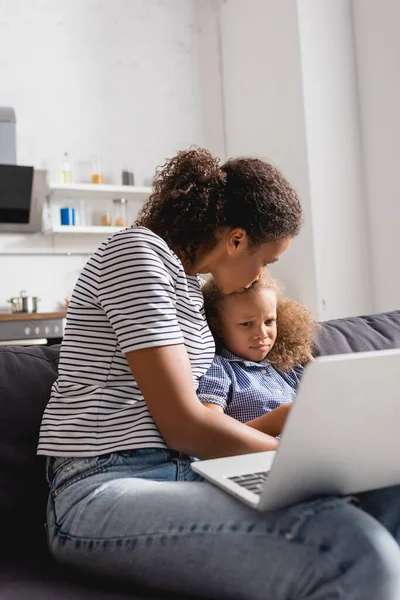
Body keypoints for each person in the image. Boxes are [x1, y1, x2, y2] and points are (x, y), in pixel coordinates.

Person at [38, 148, 400, 599]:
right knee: (347, 545)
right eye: (265, 261)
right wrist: (294, 462)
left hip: (187, 473)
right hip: (103, 485)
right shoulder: (137, 253)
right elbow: (183, 424)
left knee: (387, 490)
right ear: (235, 240)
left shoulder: (187, 285)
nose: (259, 277)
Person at [197, 270, 318, 436]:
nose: (262, 334)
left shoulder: (287, 367)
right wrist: (276, 421)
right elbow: (211, 435)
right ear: (218, 327)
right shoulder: (219, 369)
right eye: (247, 324)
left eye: (269, 321)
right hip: (255, 458)